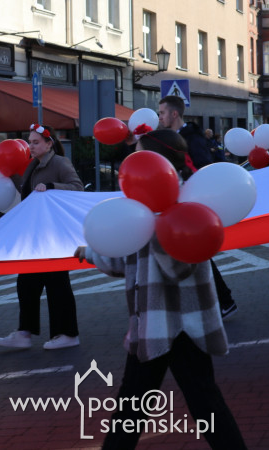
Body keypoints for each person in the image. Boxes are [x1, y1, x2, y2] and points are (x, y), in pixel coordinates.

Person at [76, 129, 247, 449]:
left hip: (173, 323)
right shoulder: (143, 209)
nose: (133, 163)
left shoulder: (185, 207)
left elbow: (178, 267)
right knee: (190, 401)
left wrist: (151, 232)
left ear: (161, 161)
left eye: (141, 155)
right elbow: (125, 262)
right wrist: (93, 251)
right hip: (162, 321)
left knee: (145, 404)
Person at [0, 124, 84, 351]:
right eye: (29, 141)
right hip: (36, 237)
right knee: (26, 284)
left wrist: (51, 186)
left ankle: (67, 334)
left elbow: (77, 188)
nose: (31, 146)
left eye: (36, 142)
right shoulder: (33, 165)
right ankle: (24, 333)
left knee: (58, 286)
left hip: (53, 237)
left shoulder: (59, 163)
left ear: (49, 143)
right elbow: (28, 195)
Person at [157, 96, 236, 318]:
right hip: (176, 205)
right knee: (193, 255)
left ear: (174, 114)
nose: (159, 116)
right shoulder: (168, 137)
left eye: (162, 112)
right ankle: (221, 300)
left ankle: (222, 300)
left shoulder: (192, 138)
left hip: (190, 204)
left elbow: (204, 169)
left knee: (197, 255)